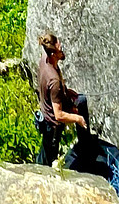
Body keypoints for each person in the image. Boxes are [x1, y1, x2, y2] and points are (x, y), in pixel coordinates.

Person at [35, 31, 90, 167]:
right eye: (60, 49)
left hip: (47, 110)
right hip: (52, 123)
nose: (62, 51)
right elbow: (58, 115)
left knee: (81, 101)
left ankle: (85, 145)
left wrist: (65, 92)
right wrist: (78, 119)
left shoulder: (45, 58)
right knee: (48, 159)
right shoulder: (54, 81)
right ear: (53, 54)